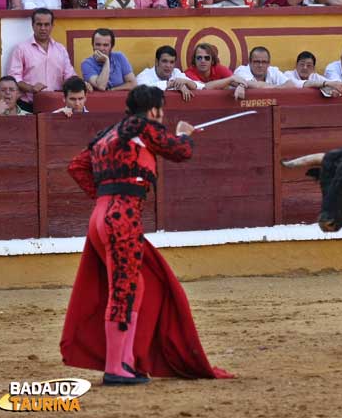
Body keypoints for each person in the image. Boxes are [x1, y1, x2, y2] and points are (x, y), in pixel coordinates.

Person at [61, 85, 233, 385]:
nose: (161, 115)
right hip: (122, 217)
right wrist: (184, 134)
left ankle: (126, 360)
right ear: (152, 109)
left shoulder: (107, 134)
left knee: (134, 285)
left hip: (101, 216)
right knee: (125, 289)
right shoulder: (142, 126)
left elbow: (76, 166)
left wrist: (105, 195)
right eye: (161, 109)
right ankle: (116, 367)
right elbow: (181, 151)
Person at [7, 8, 77, 112]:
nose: (43, 28)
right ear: (33, 25)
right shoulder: (21, 49)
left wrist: (75, 83)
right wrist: (31, 88)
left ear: (52, 26)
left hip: (56, 104)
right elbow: (13, 79)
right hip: (28, 106)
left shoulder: (60, 49)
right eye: (39, 24)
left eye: (46, 24)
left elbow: (69, 75)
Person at [136, 45, 203, 102]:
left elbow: (199, 86)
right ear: (156, 62)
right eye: (164, 61)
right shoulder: (144, 75)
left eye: (172, 62)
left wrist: (185, 82)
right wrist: (174, 84)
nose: (168, 66)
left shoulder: (176, 72)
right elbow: (142, 91)